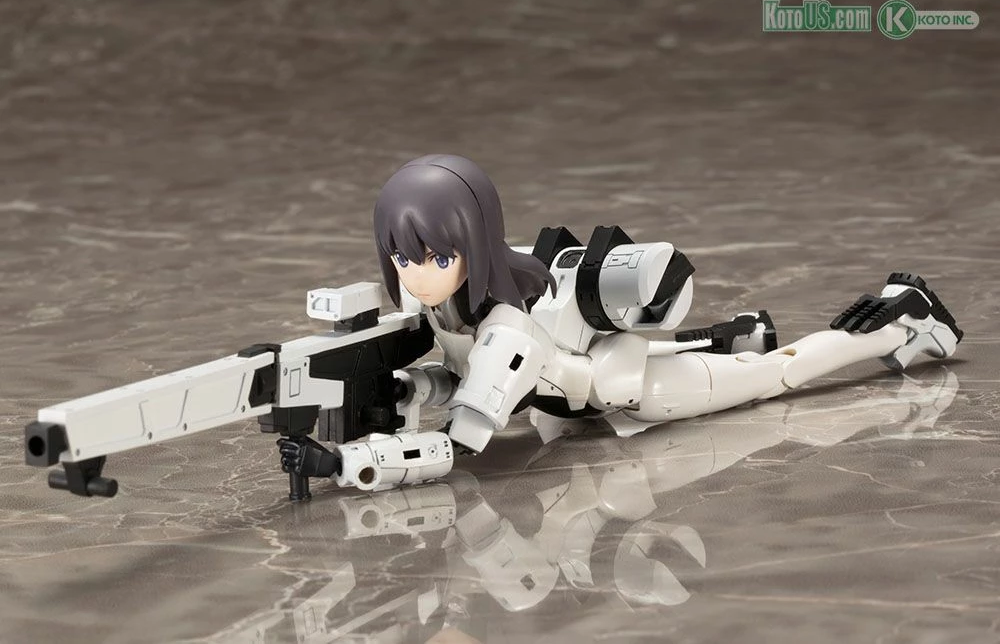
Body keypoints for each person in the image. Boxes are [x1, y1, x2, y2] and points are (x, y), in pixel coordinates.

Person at [280, 154, 963, 492]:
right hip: (571, 405)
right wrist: (409, 388)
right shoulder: (444, 308)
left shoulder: (508, 329)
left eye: (433, 255)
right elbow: (461, 376)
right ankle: (735, 332)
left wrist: (344, 462)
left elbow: (461, 446)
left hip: (632, 396)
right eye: (402, 256)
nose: (415, 272)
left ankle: (901, 316)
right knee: (733, 355)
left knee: (773, 376)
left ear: (472, 243)